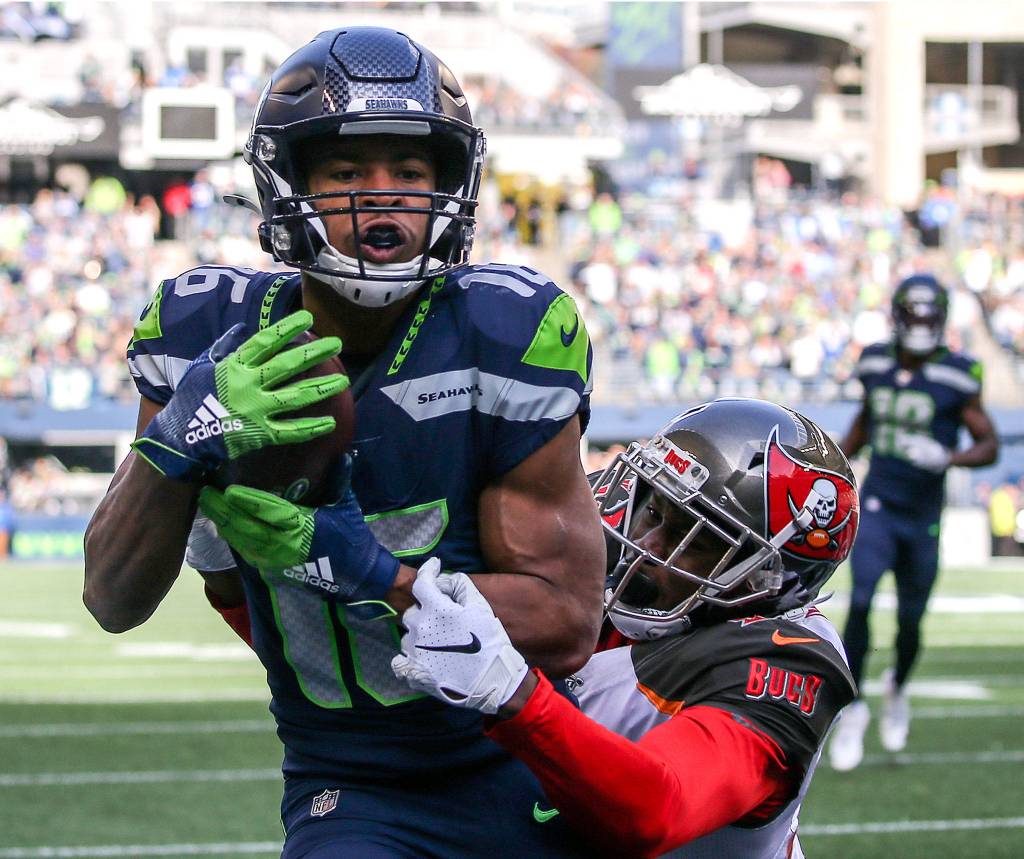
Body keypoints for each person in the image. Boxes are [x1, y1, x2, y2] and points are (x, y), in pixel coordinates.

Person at [83, 26, 606, 858]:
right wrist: (184, 433)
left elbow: (568, 619)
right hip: (349, 783)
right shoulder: (199, 333)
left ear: (451, 183)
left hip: (525, 755)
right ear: (288, 182)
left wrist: (368, 572)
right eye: (346, 171)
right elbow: (111, 597)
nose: (382, 196)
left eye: (409, 171)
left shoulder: (503, 332)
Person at [392, 398, 861, 858]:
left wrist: (508, 690)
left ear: (763, 579)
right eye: (654, 511)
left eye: (691, 537)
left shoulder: (789, 658)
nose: (645, 543)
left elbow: (655, 810)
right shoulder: (620, 534)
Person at [828, 273, 998, 772]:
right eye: (914, 314)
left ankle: (897, 687)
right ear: (899, 315)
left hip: (923, 514)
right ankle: (855, 706)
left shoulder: (960, 374)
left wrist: (948, 457)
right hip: (877, 502)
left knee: (910, 618)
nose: (921, 325)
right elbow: (863, 420)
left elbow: (989, 446)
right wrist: (833, 462)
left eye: (929, 316)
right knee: (858, 602)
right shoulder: (876, 361)